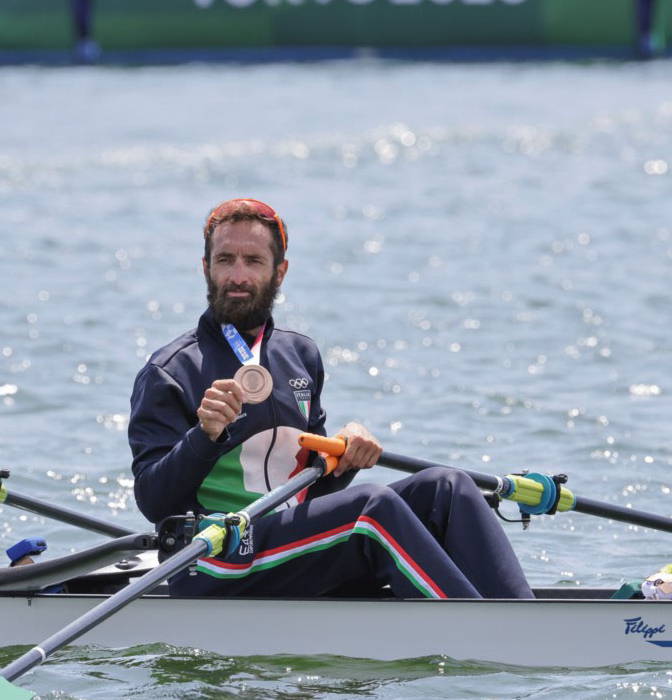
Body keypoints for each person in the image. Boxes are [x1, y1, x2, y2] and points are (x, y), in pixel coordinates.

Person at [128, 198, 533, 599]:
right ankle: (481, 629)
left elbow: (313, 495)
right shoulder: (170, 372)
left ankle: (525, 620)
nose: (237, 276)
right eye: (224, 260)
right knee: (370, 509)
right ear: (206, 268)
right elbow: (153, 500)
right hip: (214, 560)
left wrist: (344, 457)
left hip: (286, 545)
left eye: (253, 261)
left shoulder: (300, 356)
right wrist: (204, 435)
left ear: (279, 272)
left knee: (449, 486)